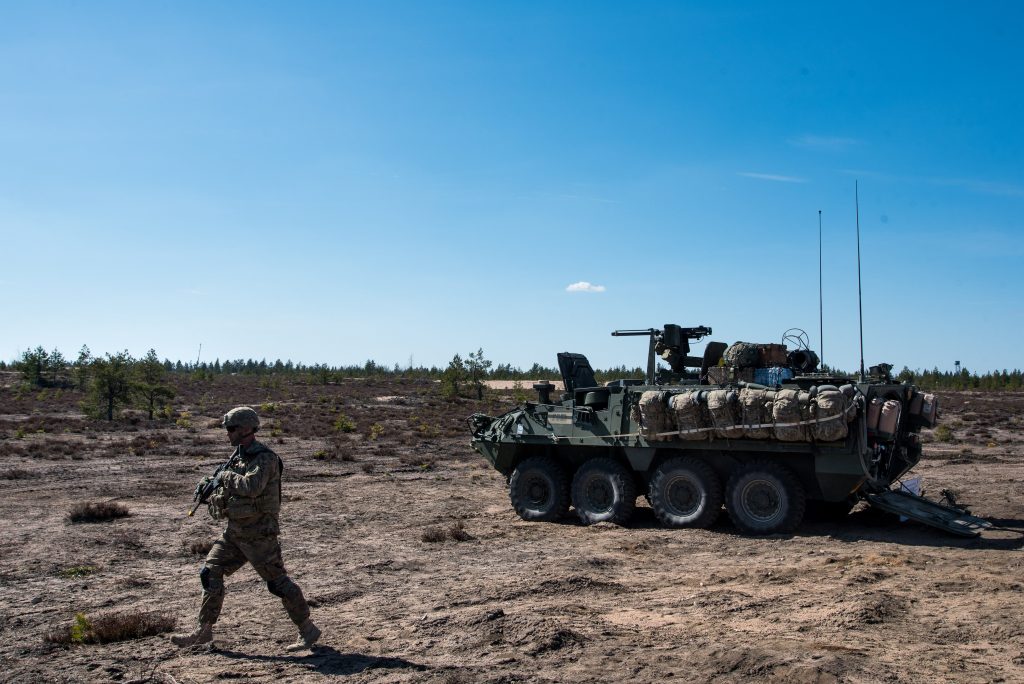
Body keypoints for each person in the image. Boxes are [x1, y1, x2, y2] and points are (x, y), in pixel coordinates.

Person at [171, 406, 321, 651]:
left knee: (277, 583)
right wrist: (209, 487)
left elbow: (251, 486)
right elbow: (229, 488)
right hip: (235, 533)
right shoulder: (237, 458)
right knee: (210, 572)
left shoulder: (265, 458)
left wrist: (225, 478)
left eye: (231, 429)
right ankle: (204, 630)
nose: (227, 434)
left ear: (245, 430)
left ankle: (307, 629)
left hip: (259, 534)